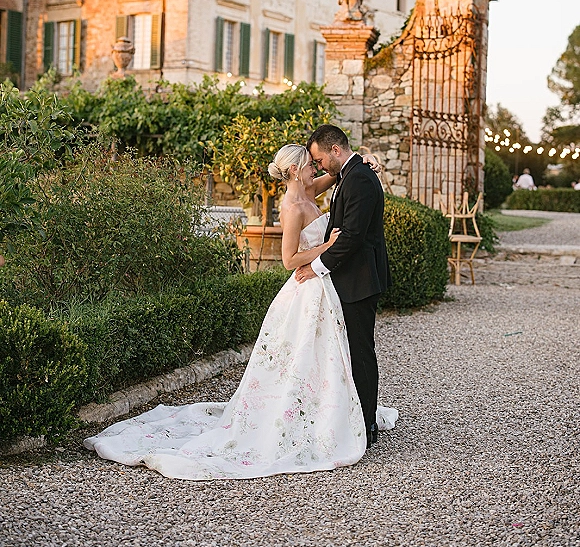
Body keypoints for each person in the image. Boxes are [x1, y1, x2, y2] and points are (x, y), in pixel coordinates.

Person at [84, 143, 397, 480]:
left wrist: (365, 161)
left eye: (316, 162)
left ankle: (327, 409)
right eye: (310, 164)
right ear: (295, 170)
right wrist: (328, 247)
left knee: (324, 356)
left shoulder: (309, 188)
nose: (316, 169)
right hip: (308, 281)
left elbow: (340, 174)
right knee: (305, 354)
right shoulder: (292, 206)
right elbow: (290, 260)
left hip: (322, 287)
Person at [296, 125, 391, 449]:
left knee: (361, 353)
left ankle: (366, 425)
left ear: (335, 150)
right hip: (348, 278)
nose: (319, 166)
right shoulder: (349, 173)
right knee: (348, 351)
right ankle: (349, 415)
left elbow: (351, 236)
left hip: (360, 280)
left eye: (320, 159)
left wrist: (315, 268)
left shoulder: (360, 179)